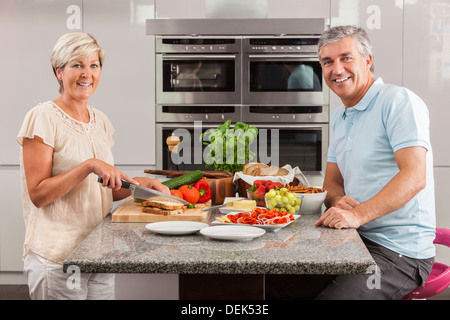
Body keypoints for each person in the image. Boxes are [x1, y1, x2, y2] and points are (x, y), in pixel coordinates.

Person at [17, 32, 170, 300]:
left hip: (98, 251)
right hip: (58, 258)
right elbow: (38, 195)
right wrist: (88, 165)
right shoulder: (42, 117)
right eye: (77, 65)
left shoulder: (100, 121)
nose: (87, 73)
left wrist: (140, 184)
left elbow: (101, 191)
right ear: (59, 72)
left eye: (94, 65)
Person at [314, 25, 436, 299]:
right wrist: (336, 201)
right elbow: (332, 183)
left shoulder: (398, 101)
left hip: (400, 252)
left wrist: (357, 214)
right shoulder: (339, 117)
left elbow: (415, 176)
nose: (336, 69)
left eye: (346, 58)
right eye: (328, 61)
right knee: (271, 286)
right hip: (354, 240)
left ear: (367, 60)